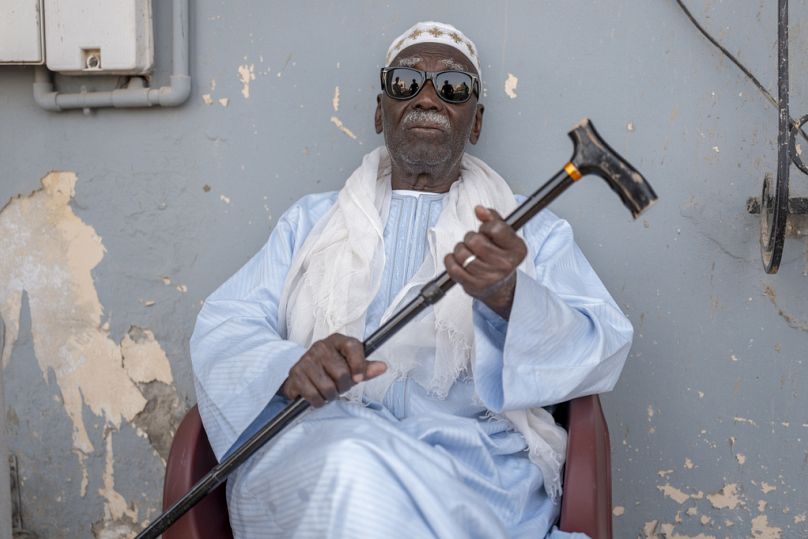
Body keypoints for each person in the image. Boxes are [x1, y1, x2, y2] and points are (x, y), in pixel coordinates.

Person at [191, 20, 632, 539]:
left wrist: (509, 296)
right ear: (381, 111)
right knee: (348, 469)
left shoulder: (534, 234)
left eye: (453, 88)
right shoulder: (309, 225)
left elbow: (602, 344)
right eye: (405, 82)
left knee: (359, 482)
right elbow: (224, 325)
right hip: (318, 445)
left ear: (475, 123)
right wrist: (290, 366)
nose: (427, 98)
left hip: (471, 468)